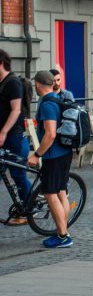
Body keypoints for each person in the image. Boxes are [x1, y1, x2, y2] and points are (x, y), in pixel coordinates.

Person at [26, 71, 74, 248]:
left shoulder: (47, 105)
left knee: (50, 193)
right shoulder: (57, 98)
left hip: (53, 155)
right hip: (65, 152)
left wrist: (37, 154)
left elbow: (50, 133)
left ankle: (63, 236)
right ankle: (62, 230)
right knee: (61, 192)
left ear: (38, 84)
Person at [0, 50, 32, 225]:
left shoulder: (12, 83)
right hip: (3, 137)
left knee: (18, 175)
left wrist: (3, 132)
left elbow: (16, 110)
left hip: (14, 137)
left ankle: (27, 211)